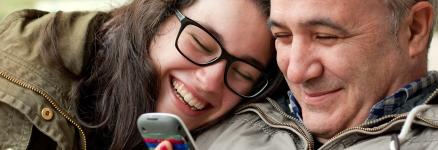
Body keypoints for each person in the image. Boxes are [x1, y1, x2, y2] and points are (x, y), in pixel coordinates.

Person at [194, 0, 438, 149]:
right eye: (282, 36)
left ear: (414, 29)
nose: (295, 71)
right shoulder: (218, 125)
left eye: (325, 36)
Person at [0, 0, 282, 149]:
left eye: (243, 74)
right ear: (157, 13)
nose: (210, 81)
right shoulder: (14, 80)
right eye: (200, 44)